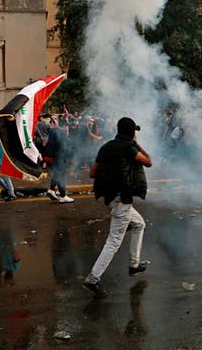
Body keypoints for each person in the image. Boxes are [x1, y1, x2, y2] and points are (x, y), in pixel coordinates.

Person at [82, 117, 152, 298]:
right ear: (132, 133)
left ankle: (134, 265)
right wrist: (137, 145)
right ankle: (92, 279)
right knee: (113, 242)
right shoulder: (129, 148)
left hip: (112, 198)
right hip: (122, 200)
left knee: (139, 224)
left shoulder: (106, 147)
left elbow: (92, 173)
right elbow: (148, 161)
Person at [44, 117, 74, 203]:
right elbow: (64, 146)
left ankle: (52, 189)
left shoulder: (54, 131)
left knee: (57, 174)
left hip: (56, 157)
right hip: (59, 157)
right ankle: (63, 196)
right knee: (61, 176)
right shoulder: (59, 132)